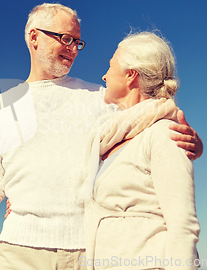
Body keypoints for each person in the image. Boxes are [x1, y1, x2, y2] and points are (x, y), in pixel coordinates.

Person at [0, 3, 203, 270]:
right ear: (34, 37)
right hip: (19, 251)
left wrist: (193, 141)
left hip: (87, 252)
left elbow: (151, 116)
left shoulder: (101, 99)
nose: (72, 49)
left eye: (77, 43)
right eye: (65, 39)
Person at [81, 32, 200, 270]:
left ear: (130, 75)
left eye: (110, 66)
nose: (104, 75)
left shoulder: (164, 134)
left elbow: (183, 225)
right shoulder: (108, 138)